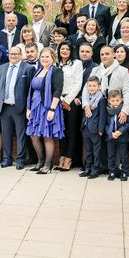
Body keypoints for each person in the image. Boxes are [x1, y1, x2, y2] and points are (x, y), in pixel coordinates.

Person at [0, 45, 34, 169]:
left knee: (21, 134)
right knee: (6, 134)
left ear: (21, 56)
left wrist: (29, 107)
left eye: (16, 54)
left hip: (19, 107)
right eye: (11, 54)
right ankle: (6, 159)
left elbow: (30, 90)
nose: (13, 56)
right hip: (4, 107)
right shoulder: (2, 68)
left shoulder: (28, 69)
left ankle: (20, 159)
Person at [26, 48, 65, 173]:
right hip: (35, 106)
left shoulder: (57, 71)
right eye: (42, 56)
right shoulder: (38, 71)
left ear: (53, 57)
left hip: (48, 106)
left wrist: (52, 109)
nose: (44, 59)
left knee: (47, 135)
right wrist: (28, 108)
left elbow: (58, 90)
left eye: (47, 57)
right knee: (34, 135)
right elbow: (31, 90)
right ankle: (40, 161)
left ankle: (48, 165)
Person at [56, 41, 83, 171]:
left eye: (67, 49)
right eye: (62, 49)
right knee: (61, 130)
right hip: (58, 100)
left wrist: (67, 100)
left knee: (71, 130)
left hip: (71, 101)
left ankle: (69, 157)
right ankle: (62, 155)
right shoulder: (57, 64)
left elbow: (78, 84)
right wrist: (60, 100)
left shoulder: (77, 64)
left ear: (71, 51)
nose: (64, 51)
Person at [80, 76, 106, 178]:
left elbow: (102, 115)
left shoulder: (101, 99)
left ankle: (95, 169)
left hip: (95, 130)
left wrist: (100, 130)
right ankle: (88, 168)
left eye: (94, 86)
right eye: (89, 86)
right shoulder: (86, 99)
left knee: (96, 151)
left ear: (99, 87)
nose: (91, 88)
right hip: (86, 128)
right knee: (88, 150)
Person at [105, 89, 129, 181]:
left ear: (121, 100)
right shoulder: (107, 111)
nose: (115, 103)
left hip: (122, 137)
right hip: (111, 137)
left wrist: (120, 132)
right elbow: (105, 125)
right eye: (112, 100)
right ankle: (111, 172)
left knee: (123, 156)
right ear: (108, 101)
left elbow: (128, 123)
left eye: (117, 100)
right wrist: (110, 133)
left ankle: (124, 172)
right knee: (111, 155)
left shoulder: (124, 111)